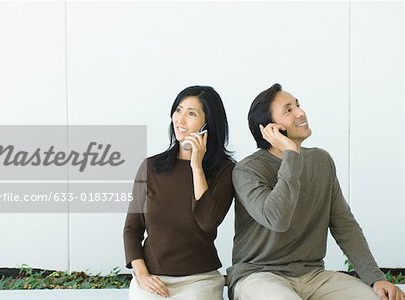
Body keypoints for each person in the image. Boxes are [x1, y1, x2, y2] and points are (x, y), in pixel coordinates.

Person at [227, 83, 404, 300]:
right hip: (259, 275)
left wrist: (376, 279)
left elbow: (345, 226)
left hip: (313, 275)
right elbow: (277, 219)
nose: (301, 112)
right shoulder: (247, 170)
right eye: (289, 110)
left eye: (298, 105)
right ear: (270, 129)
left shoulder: (321, 160)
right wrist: (291, 154)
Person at [124, 85, 235, 300]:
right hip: (153, 277)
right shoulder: (150, 167)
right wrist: (143, 275)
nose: (180, 120)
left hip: (200, 279)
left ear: (208, 123)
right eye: (178, 110)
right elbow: (132, 230)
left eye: (191, 113)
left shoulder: (225, 171)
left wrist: (196, 167)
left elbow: (208, 221)